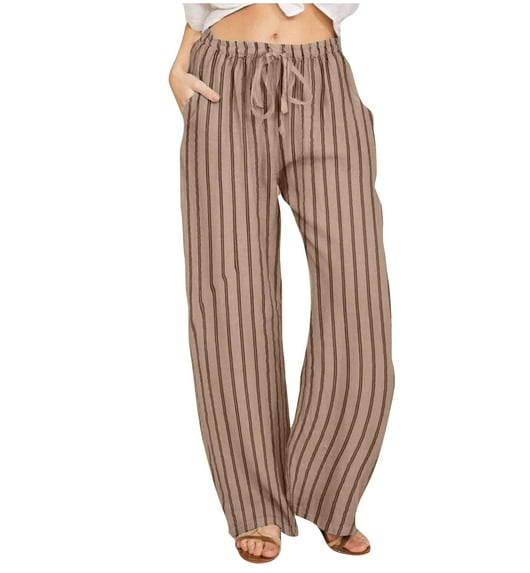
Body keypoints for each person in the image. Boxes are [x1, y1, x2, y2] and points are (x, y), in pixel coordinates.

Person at [168, 3, 395, 563]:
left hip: (323, 78)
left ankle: (330, 488)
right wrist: (181, 57)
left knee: (358, 291)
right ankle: (255, 504)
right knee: (229, 293)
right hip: (221, 78)